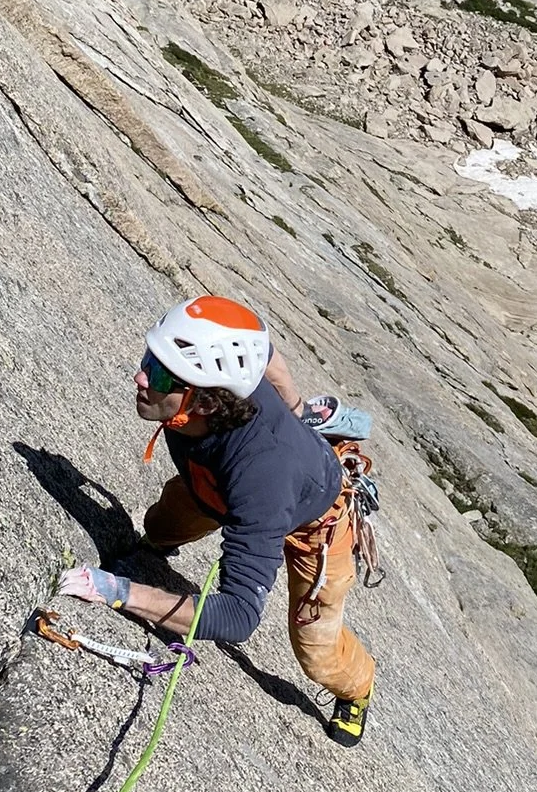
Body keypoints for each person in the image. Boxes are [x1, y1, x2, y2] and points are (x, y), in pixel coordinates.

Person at [59, 294, 375, 747]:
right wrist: (297, 405)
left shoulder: (262, 475)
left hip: (313, 524)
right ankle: (164, 538)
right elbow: (261, 345)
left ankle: (358, 686)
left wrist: (117, 592)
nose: (140, 375)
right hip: (219, 488)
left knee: (317, 648)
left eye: (163, 372)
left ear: (206, 402)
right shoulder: (212, 390)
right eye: (151, 357)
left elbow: (238, 616)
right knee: (163, 524)